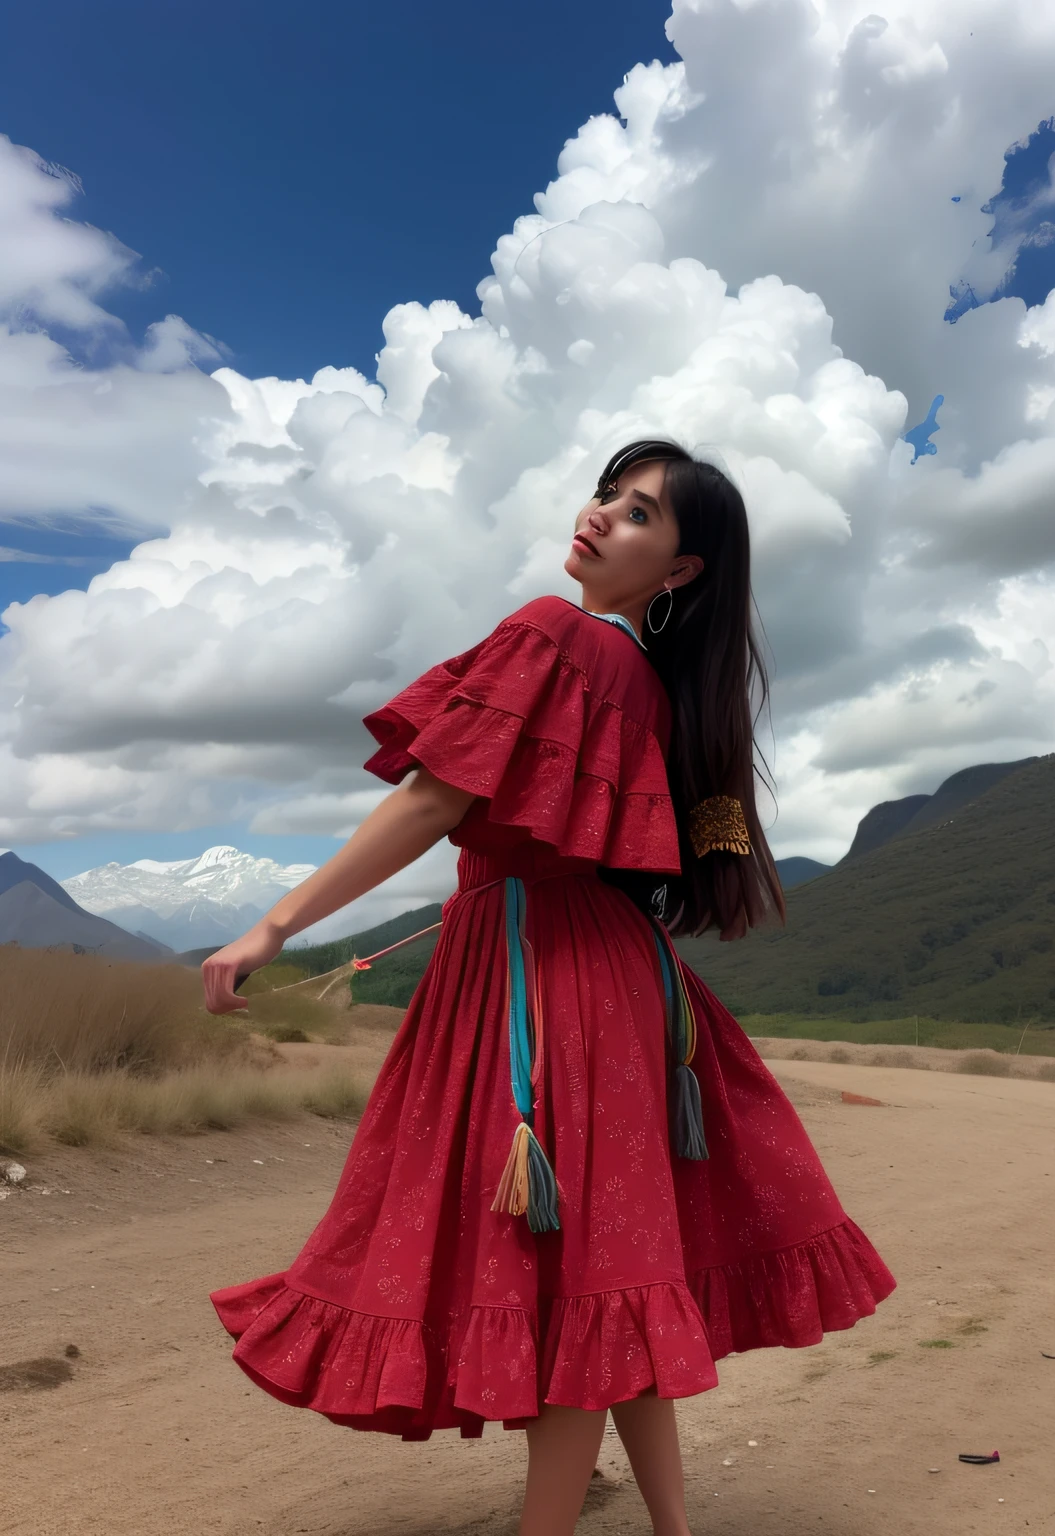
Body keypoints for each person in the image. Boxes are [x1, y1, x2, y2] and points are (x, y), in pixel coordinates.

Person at [203, 439, 896, 1536]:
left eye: (638, 515)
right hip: (623, 978)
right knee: (610, 1273)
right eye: (607, 496)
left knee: (563, 1287)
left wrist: (273, 924)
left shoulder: (556, 636)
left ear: (680, 574)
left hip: (540, 984)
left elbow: (433, 803)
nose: (600, 516)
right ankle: (671, 1529)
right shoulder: (664, 696)